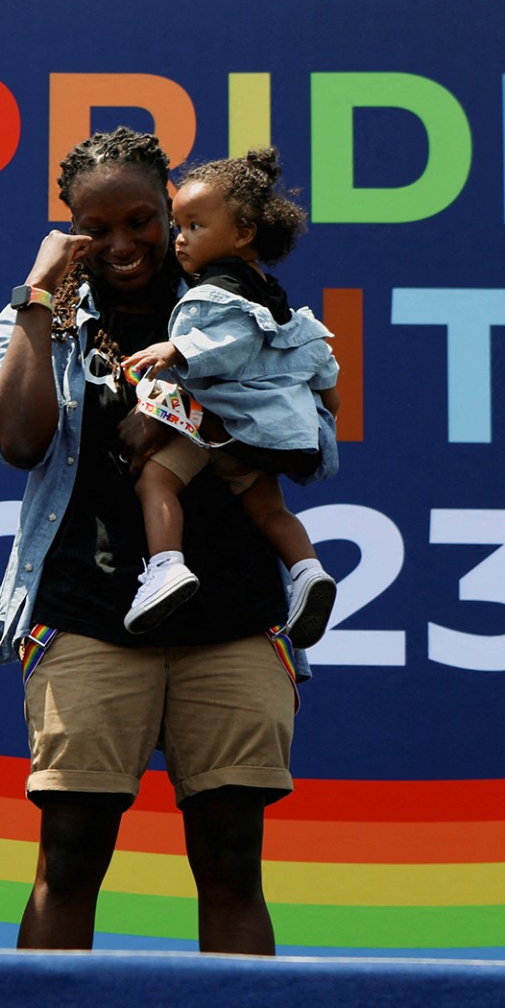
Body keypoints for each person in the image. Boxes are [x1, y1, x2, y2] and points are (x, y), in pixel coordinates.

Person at [0, 127, 337, 955]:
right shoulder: (40, 311)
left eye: (143, 219)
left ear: (172, 208)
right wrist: (37, 299)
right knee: (68, 857)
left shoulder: (238, 304)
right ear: (70, 226)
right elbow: (19, 443)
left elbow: (314, 447)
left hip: (235, 617)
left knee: (231, 862)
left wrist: (191, 417)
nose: (125, 243)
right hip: (90, 613)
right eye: (96, 229)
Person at [119, 147, 340, 647]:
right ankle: (307, 571)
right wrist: (328, 401)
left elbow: (229, 342)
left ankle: (166, 567)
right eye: (178, 226)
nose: (179, 240)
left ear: (243, 234)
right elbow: (312, 351)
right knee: (267, 510)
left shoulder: (218, 290)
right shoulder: (269, 290)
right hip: (265, 432)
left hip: (222, 422)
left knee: (155, 482)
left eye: (195, 227)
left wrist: (176, 348)